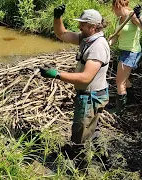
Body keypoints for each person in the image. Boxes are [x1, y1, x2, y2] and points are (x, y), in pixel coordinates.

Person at [40, 5, 110, 144]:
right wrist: (57, 17)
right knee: (90, 129)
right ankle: (98, 153)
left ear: (93, 27)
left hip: (91, 97)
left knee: (80, 134)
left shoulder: (97, 47)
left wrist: (56, 74)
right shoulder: (86, 39)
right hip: (90, 95)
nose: (79, 26)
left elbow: (85, 78)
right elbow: (62, 33)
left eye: (82, 24)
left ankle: (78, 160)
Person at [108, 0, 142, 114]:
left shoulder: (132, 15)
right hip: (124, 51)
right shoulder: (119, 19)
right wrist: (107, 44)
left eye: (112, 8)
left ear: (117, 5)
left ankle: (120, 109)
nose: (112, 11)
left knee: (119, 81)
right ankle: (131, 99)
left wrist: (139, 15)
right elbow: (116, 36)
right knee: (124, 79)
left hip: (131, 53)